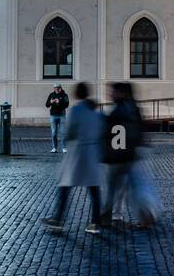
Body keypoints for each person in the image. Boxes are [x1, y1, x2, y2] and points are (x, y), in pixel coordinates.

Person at [45, 82, 106, 234]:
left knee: (65, 186)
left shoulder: (76, 110)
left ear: (77, 94)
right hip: (92, 153)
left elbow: (70, 133)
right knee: (94, 188)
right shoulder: (96, 112)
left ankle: (58, 219)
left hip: (78, 153)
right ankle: (95, 222)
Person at [103, 82, 153, 229]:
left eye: (113, 92)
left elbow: (111, 132)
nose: (111, 94)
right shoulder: (133, 108)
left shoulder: (118, 110)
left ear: (121, 93)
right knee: (132, 187)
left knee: (113, 187)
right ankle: (144, 214)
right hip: (130, 154)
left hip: (120, 154)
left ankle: (107, 217)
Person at [45, 84, 69, 153]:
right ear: (54, 88)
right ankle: (54, 148)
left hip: (62, 115)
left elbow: (67, 105)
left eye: (58, 88)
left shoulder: (65, 95)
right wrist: (51, 102)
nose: (57, 89)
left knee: (63, 132)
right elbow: (47, 105)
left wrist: (59, 102)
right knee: (54, 133)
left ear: (61, 88)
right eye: (55, 88)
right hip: (53, 116)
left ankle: (64, 148)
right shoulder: (51, 95)